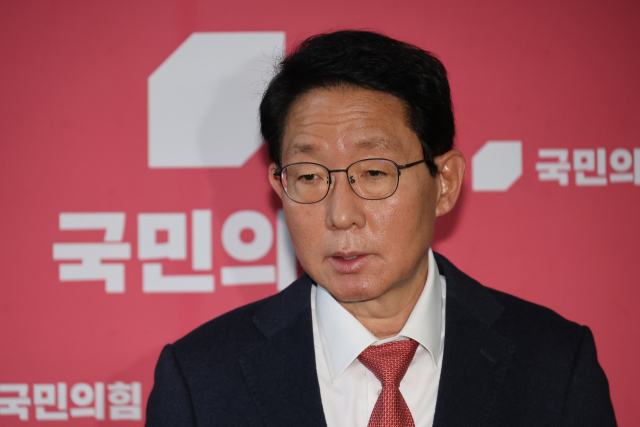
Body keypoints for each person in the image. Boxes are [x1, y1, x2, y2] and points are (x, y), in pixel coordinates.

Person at [145, 30, 616, 426]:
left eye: (373, 173)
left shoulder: (554, 363)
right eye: (309, 177)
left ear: (445, 182)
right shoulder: (200, 380)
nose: (340, 215)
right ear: (279, 185)